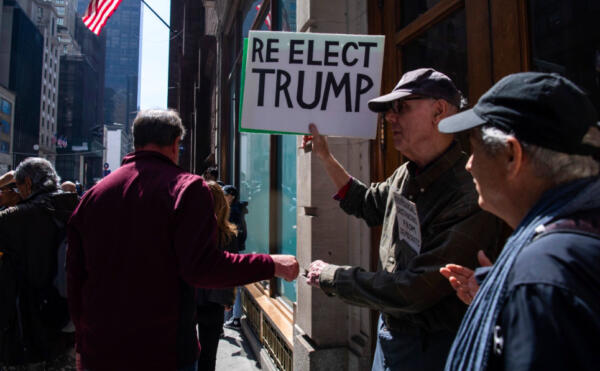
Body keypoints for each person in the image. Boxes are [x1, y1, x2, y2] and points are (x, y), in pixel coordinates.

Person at [66, 109, 299, 371]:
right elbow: (202, 268)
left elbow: (75, 279)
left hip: (100, 352)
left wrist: (81, 345)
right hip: (164, 353)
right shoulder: (186, 189)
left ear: (136, 141)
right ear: (176, 143)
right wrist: (271, 264)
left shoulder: (92, 197)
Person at [305, 68, 504, 370]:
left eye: (402, 107)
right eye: (390, 110)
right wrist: (324, 155)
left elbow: (413, 290)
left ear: (438, 111)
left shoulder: (469, 194)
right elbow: (367, 203)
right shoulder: (405, 173)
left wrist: (333, 276)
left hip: (433, 350)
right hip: (391, 338)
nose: (389, 118)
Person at [438, 72, 600, 370]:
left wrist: (526, 290)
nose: (469, 164)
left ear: (512, 155)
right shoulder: (570, 245)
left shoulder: (545, 270)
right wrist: (501, 302)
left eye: (474, 148)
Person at [0, 158, 79, 369]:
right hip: (69, 324)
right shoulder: (76, 206)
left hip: (28, 331)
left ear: (26, 183)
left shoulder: (16, 217)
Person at [195, 181, 238, 371]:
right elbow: (230, 270)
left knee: (185, 352)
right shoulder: (228, 234)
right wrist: (228, 298)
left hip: (190, 297)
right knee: (208, 355)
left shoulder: (190, 229)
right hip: (215, 299)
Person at [222, 185, 247, 330]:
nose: (223, 197)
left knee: (236, 284)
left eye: (225, 195)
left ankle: (236, 318)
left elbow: (232, 234)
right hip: (236, 249)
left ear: (231, 196)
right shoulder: (234, 210)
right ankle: (233, 316)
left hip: (234, 250)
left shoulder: (232, 212)